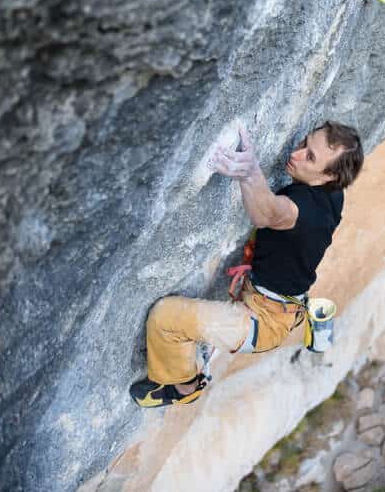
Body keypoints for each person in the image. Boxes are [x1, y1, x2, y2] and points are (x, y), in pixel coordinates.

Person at [129, 121, 364, 407]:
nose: (297, 153)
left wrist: (250, 172)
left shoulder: (303, 213)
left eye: (310, 157)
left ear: (328, 175)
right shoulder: (333, 193)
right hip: (278, 304)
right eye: (305, 143)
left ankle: (184, 388)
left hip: (263, 321)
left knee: (166, 318)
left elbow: (267, 213)